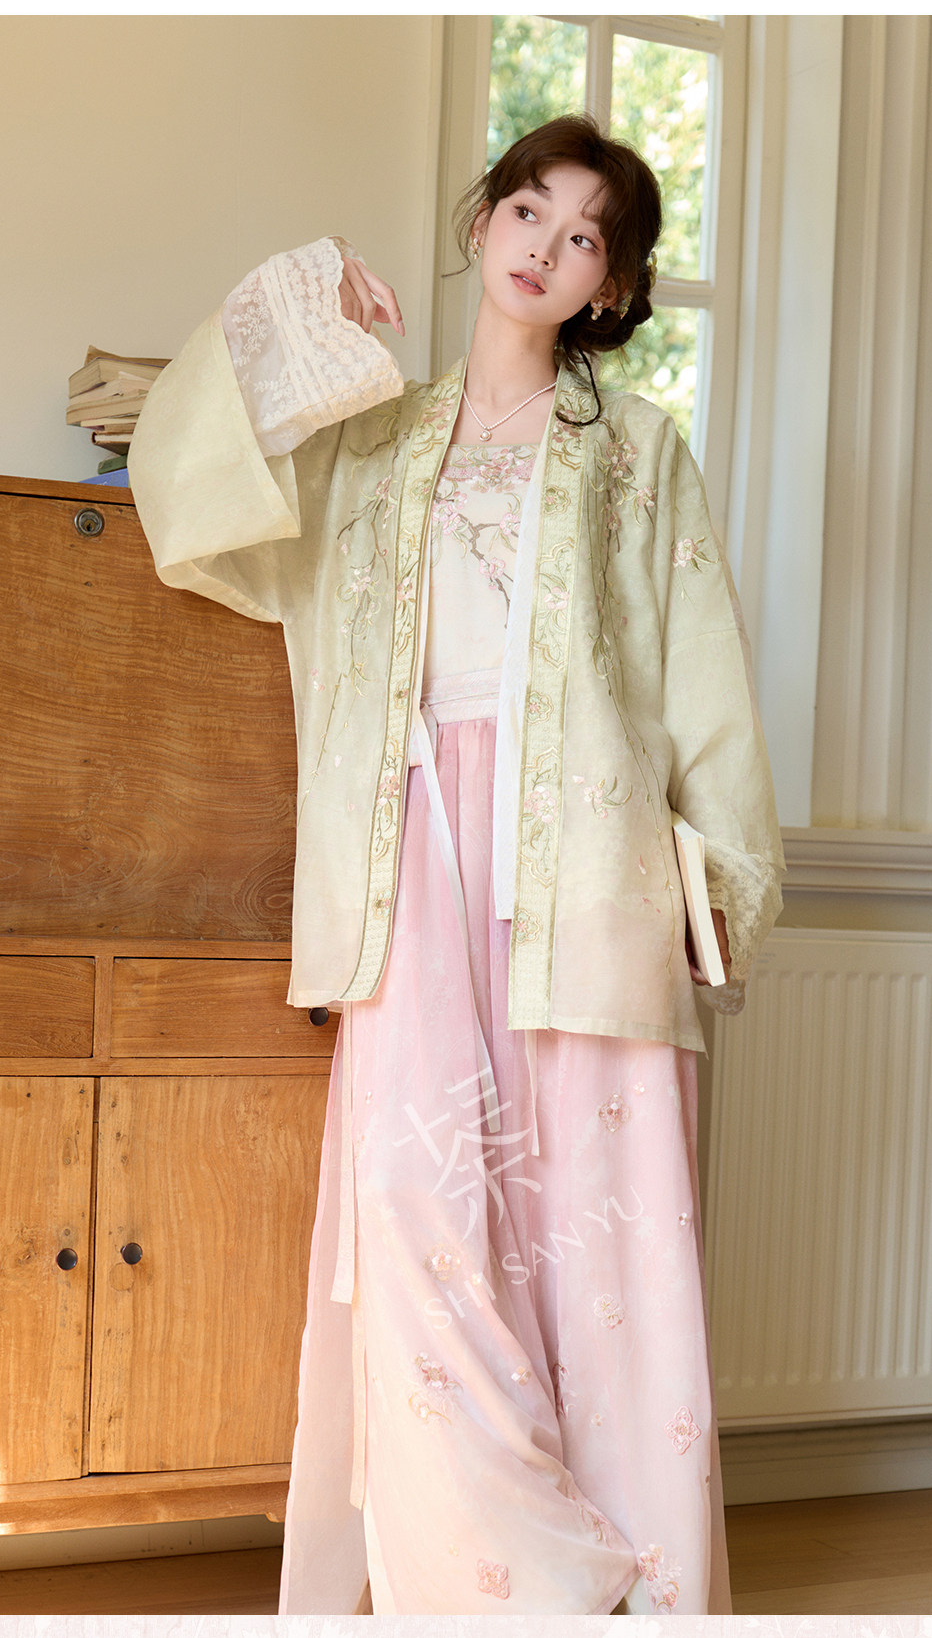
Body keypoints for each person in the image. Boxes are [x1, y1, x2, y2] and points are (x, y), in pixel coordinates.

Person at [128, 113, 784, 1617]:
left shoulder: (640, 456)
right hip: (409, 841)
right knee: (421, 1209)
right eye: (530, 210)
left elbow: (702, 679)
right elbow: (194, 503)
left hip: (587, 867)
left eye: (584, 238)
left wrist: (721, 882)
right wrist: (301, 321)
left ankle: (634, 1573)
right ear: (484, 217)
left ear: (611, 288)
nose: (545, 247)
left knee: (591, 1225)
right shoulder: (375, 441)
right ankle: (497, 1582)